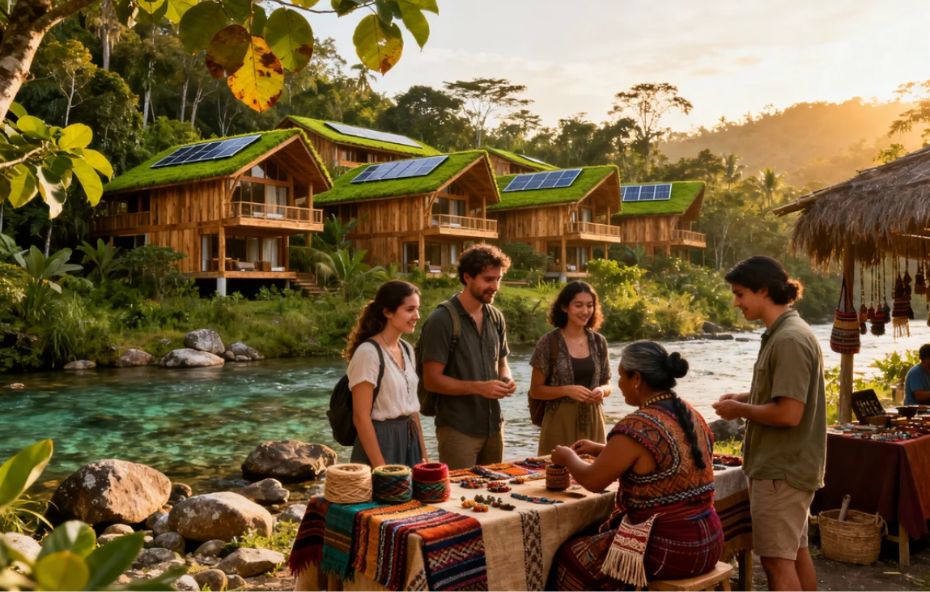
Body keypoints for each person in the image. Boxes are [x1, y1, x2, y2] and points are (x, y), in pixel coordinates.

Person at [551, 341, 723, 589]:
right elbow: (663, 459)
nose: (619, 384)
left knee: (572, 556)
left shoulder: (637, 426)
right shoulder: (689, 412)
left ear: (637, 379)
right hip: (711, 540)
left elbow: (593, 481)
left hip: (670, 550)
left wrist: (568, 457)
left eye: (621, 375)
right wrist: (601, 449)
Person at [712, 255, 825, 591]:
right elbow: (787, 394)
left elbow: (789, 414)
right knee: (796, 554)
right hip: (790, 466)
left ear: (763, 290)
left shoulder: (788, 339)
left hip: (781, 469)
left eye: (740, 293)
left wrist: (738, 410)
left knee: (777, 563)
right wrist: (748, 396)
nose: (736, 302)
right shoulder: (787, 332)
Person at [419, 243, 516, 469]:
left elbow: (502, 362)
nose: (495, 286)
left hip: (494, 427)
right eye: (488, 279)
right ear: (467, 277)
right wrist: (480, 387)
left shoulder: (496, 317)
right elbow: (431, 380)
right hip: (458, 429)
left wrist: (506, 378)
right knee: (460, 499)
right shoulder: (441, 320)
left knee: (494, 497)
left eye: (498, 279)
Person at [344, 280, 428, 467]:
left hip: (410, 438)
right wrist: (381, 467)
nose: (417, 316)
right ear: (388, 312)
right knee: (382, 495)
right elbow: (361, 417)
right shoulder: (368, 353)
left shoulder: (406, 349)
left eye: (417, 309)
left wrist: (423, 455)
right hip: (380, 442)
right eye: (410, 309)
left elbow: (413, 410)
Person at [529, 281, 611, 454]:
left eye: (590, 305)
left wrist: (602, 391)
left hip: (593, 420)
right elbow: (536, 391)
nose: (585, 311)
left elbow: (608, 383)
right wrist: (566, 390)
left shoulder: (599, 342)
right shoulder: (548, 343)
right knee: (555, 476)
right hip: (559, 422)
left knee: (596, 475)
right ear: (565, 307)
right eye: (578, 305)